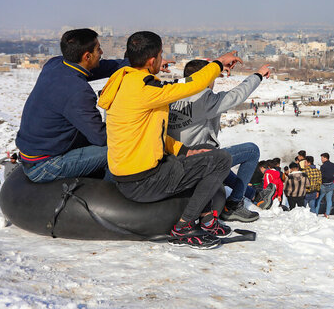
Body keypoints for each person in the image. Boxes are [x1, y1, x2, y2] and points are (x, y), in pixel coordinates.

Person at [97, 31, 240, 249]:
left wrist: (185, 151)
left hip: (130, 172)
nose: (163, 60)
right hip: (143, 181)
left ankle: (205, 216)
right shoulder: (146, 90)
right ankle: (184, 227)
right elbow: (193, 84)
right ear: (152, 60)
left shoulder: (124, 80)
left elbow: (153, 133)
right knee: (221, 160)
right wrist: (218, 63)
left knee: (200, 150)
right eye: (161, 55)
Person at [16, 29, 131, 182]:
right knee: (120, 148)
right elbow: (101, 138)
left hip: (33, 152)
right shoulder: (78, 91)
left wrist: (135, 64)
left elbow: (99, 68)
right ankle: (110, 195)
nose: (101, 52)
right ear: (87, 56)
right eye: (98, 49)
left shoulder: (55, 64)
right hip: (45, 165)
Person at [167, 59, 272, 223]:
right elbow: (237, 95)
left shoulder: (172, 92)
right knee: (251, 150)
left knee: (217, 156)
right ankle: (234, 205)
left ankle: (255, 195)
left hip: (173, 157)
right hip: (194, 161)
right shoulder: (204, 99)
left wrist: (215, 67)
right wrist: (257, 75)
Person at [314, 153, 334, 217]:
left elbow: (321, 176)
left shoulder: (323, 166)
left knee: (318, 199)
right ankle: (327, 214)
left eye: (322, 158)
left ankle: (316, 213)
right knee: (329, 200)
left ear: (325, 158)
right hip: (331, 184)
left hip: (324, 185)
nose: (321, 159)